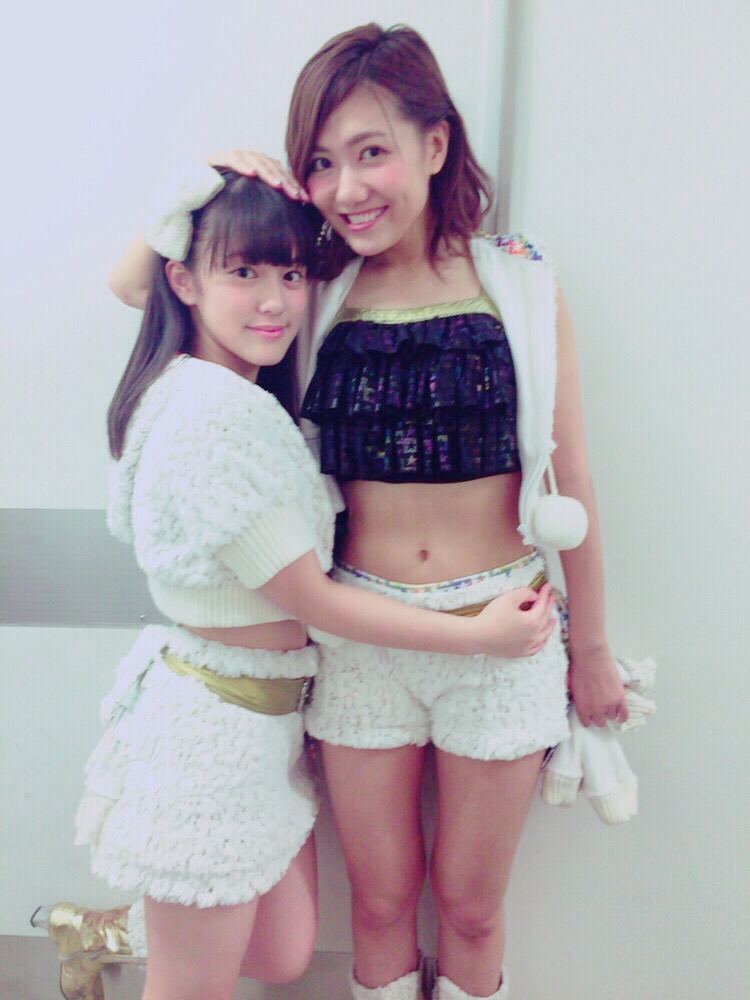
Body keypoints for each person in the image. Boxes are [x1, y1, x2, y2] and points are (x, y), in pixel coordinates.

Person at [106, 24, 629, 1000]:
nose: (347, 187)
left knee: (471, 907)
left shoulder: (519, 279)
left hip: (503, 631)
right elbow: (141, 284)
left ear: (435, 144)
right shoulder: (313, 285)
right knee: (380, 906)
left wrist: (592, 647)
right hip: (357, 640)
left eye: (371, 151)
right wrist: (206, 175)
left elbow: (577, 479)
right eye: (321, 162)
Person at [36, 167, 555, 1000]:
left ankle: (116, 930)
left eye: (289, 273)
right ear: (185, 281)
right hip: (209, 728)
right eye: (244, 272)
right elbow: (315, 601)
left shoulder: (234, 388)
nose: (275, 301)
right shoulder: (213, 418)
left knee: (282, 953)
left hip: (267, 722)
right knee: (194, 984)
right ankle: (154, 939)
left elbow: (145, 285)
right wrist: (477, 636)